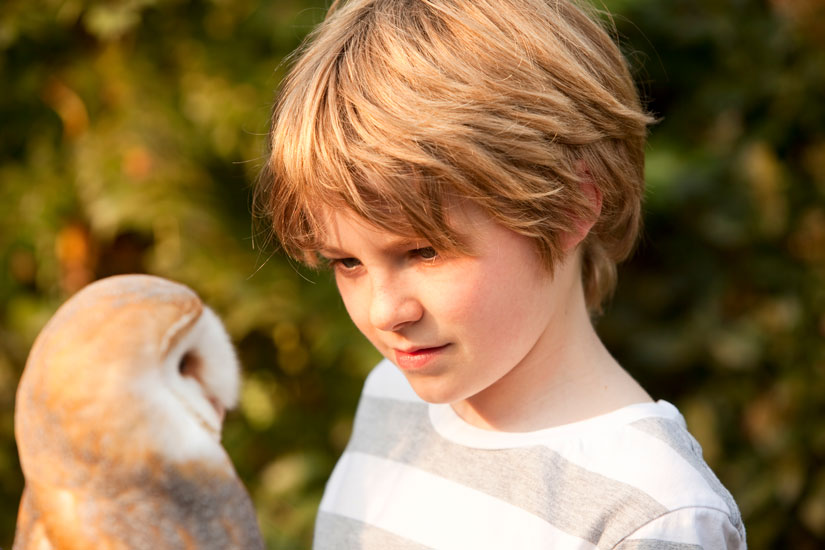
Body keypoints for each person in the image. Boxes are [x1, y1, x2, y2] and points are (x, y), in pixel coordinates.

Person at [255, 0, 747, 548]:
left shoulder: (652, 515)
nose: (384, 312)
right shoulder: (392, 396)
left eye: (424, 252)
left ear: (569, 206)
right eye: (347, 262)